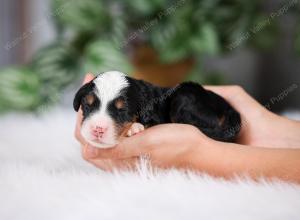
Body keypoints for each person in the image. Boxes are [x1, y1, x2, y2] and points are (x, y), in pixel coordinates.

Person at [75, 74, 300, 183]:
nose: (98, 125)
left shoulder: (148, 106)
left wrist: (200, 152)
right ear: (80, 101)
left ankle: (211, 133)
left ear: (139, 110)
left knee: (184, 95)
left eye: (119, 111)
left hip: (211, 112)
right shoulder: (138, 101)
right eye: (90, 106)